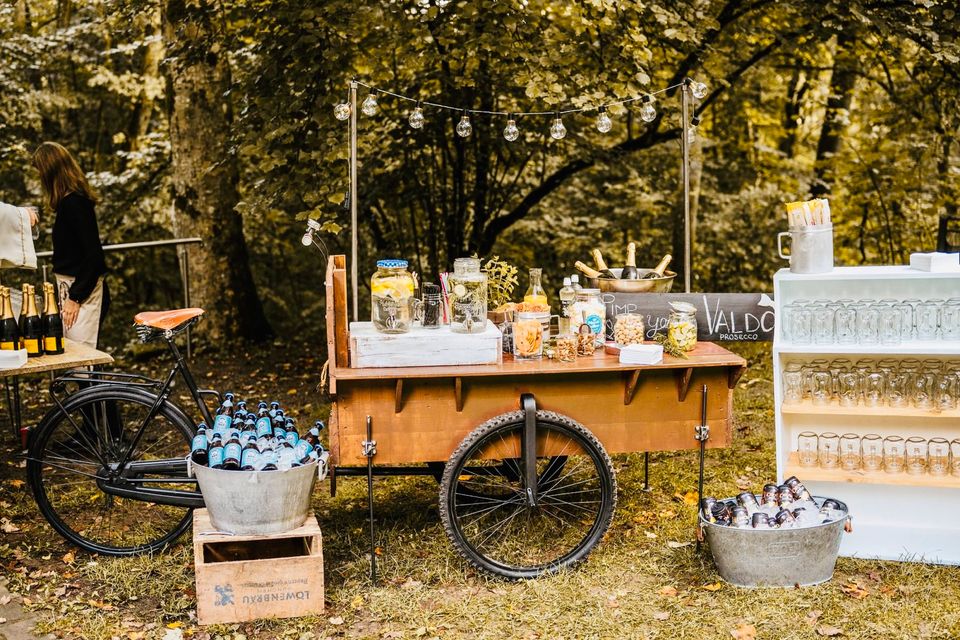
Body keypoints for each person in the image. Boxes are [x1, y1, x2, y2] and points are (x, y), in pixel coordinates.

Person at [32, 142, 109, 348]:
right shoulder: (68, 204)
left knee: (83, 364)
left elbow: (93, 257)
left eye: (41, 172)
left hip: (82, 291)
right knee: (78, 363)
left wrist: (75, 297)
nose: (40, 179)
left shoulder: (75, 203)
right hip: (70, 289)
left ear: (50, 172)